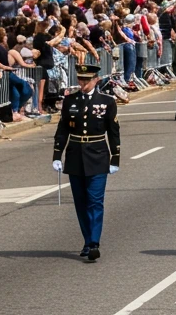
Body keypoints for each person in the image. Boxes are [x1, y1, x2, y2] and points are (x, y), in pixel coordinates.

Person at [51, 62, 121, 261]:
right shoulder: (70, 100)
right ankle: (87, 239)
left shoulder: (106, 101)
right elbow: (63, 129)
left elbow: (113, 132)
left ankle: (94, 243)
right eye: (80, 79)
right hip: (75, 155)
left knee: (95, 201)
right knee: (81, 202)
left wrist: (115, 157)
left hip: (98, 155)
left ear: (96, 80)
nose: (83, 83)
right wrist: (57, 155)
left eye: (87, 80)